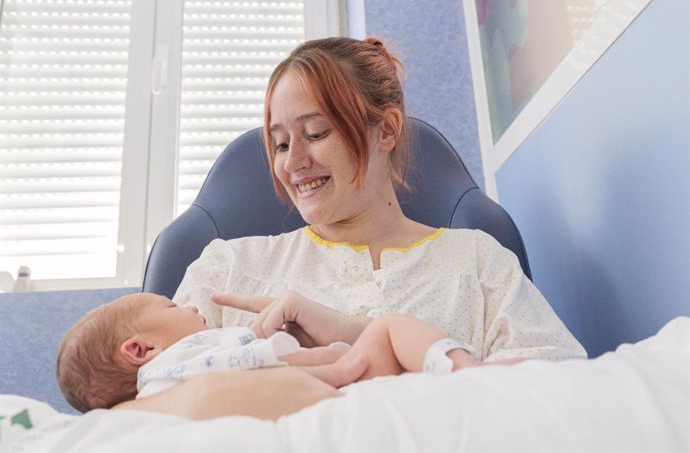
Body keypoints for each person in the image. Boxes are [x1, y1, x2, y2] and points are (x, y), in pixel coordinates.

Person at [121, 36, 586, 420]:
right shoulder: (226, 269)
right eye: (280, 143)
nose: (293, 162)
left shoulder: (477, 260)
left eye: (316, 133)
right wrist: (263, 378)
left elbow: (562, 398)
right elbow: (143, 411)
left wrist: (362, 334)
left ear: (385, 130)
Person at [57, 292, 517, 413]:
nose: (191, 305)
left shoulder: (164, 380)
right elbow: (244, 367)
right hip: (334, 392)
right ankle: (464, 370)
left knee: (386, 335)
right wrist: (313, 359)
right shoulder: (180, 362)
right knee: (391, 328)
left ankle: (464, 373)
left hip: (338, 389)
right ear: (140, 348)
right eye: (172, 306)